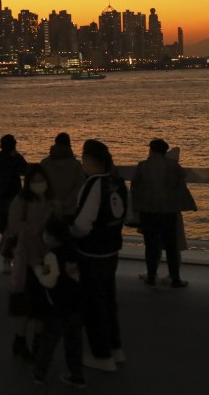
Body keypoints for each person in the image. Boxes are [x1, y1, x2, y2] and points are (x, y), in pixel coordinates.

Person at [70, 139, 126, 372]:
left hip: (92, 253)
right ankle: (115, 347)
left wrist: (69, 236)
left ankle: (101, 355)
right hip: (112, 250)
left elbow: (82, 223)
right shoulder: (119, 183)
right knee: (109, 300)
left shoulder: (93, 184)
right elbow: (126, 214)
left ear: (89, 160)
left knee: (92, 304)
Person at [3, 165, 57, 361]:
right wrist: (36, 229)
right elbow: (14, 226)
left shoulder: (51, 202)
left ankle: (36, 341)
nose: (38, 184)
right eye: (34, 180)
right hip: (26, 259)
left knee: (41, 306)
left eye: (41, 180)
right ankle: (21, 340)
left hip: (45, 259)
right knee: (25, 304)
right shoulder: (21, 201)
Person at [31, 216, 85, 389]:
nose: (44, 236)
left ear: (53, 236)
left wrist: (38, 270)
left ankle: (39, 374)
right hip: (76, 305)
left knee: (49, 342)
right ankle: (76, 375)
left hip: (58, 307)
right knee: (74, 343)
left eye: (46, 233)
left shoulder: (53, 256)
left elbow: (49, 281)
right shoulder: (74, 251)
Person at [130, 138, 190, 288]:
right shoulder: (173, 166)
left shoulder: (143, 166)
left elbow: (135, 186)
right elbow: (181, 182)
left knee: (151, 245)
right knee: (171, 246)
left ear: (151, 150)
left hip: (148, 211)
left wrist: (136, 208)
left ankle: (151, 276)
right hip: (169, 211)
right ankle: (175, 278)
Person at [0, 134, 27, 273]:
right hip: (12, 198)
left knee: (3, 226)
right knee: (11, 228)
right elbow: (25, 169)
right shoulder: (15, 159)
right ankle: (7, 257)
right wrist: (16, 154)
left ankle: (6, 255)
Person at [40, 133, 85, 218]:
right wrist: (64, 203)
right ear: (69, 145)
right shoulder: (76, 165)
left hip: (49, 210)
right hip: (70, 211)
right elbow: (80, 187)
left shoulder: (44, 164)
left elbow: (40, 186)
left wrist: (52, 202)